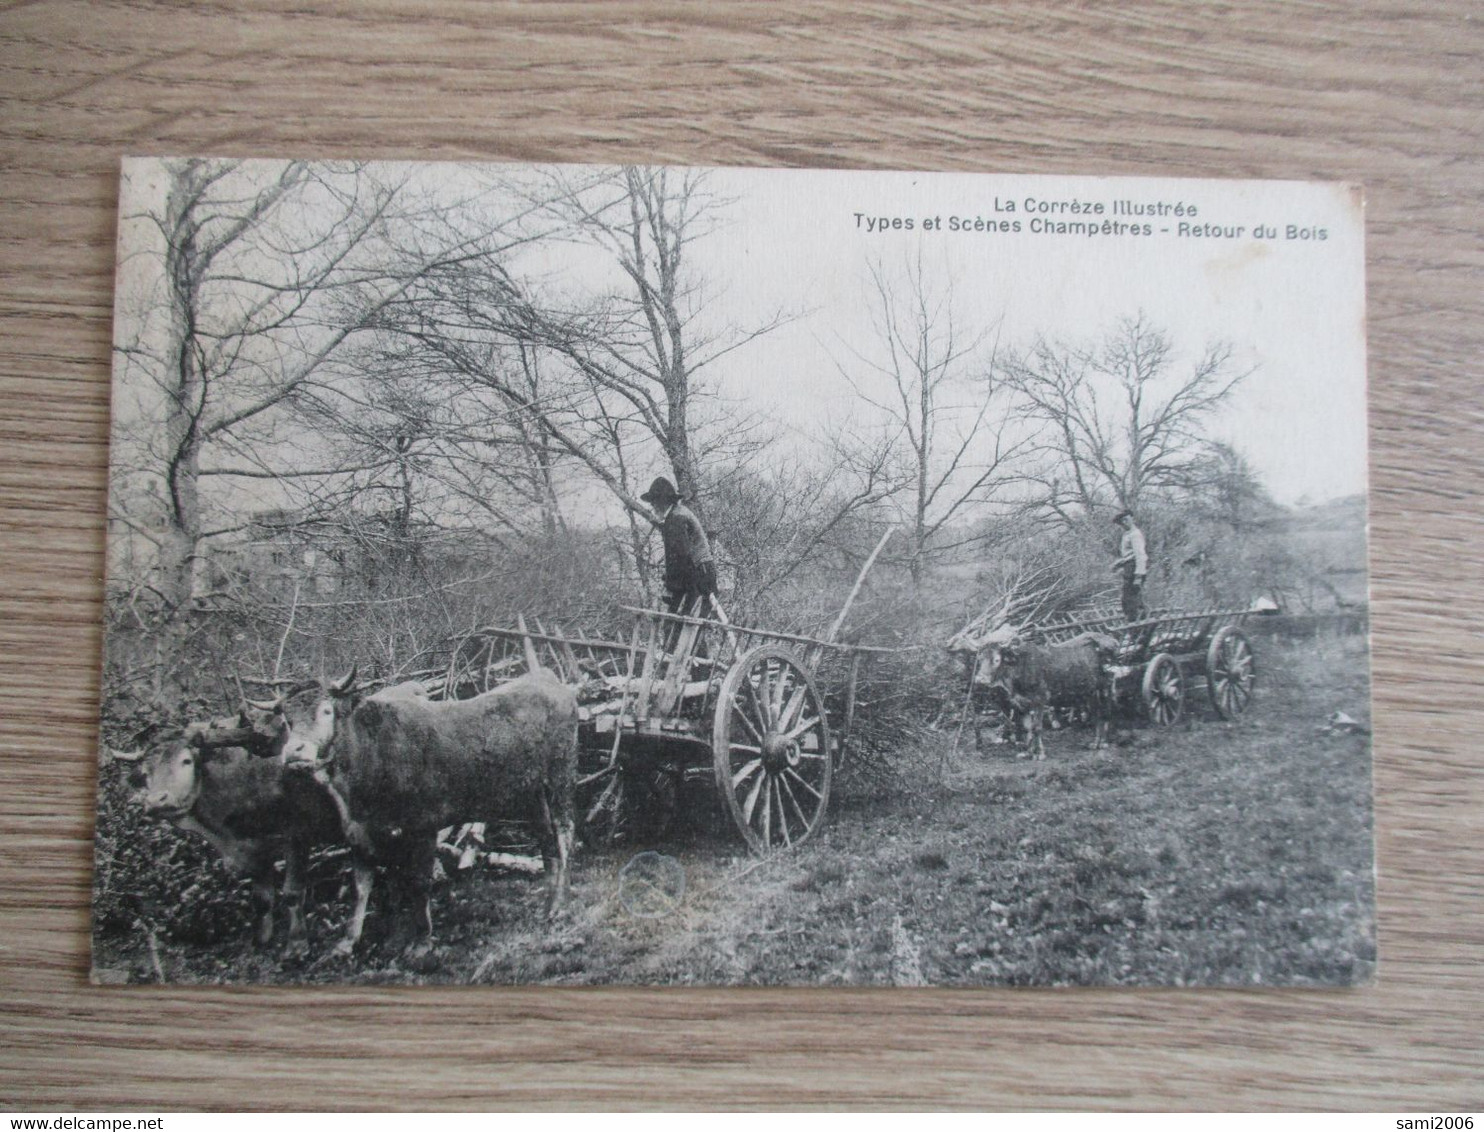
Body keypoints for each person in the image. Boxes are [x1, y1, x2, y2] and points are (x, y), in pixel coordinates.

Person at [640, 475, 717, 619]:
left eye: (654, 502)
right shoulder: (676, 515)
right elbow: (677, 557)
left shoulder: (677, 519)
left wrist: (671, 587)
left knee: (688, 622)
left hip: (699, 573)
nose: (652, 506)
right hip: (698, 571)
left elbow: (680, 556)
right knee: (686, 621)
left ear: (662, 501)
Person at [1111, 509, 1148, 621]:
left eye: (1126, 519)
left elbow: (1140, 555)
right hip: (1129, 567)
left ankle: (1136, 625)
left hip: (1135, 568)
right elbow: (1129, 555)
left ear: (1132, 519)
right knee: (1132, 598)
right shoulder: (1127, 535)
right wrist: (1118, 563)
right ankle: (1140, 622)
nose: (1124, 523)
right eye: (1122, 521)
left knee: (1129, 599)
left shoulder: (1135, 535)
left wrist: (1138, 576)